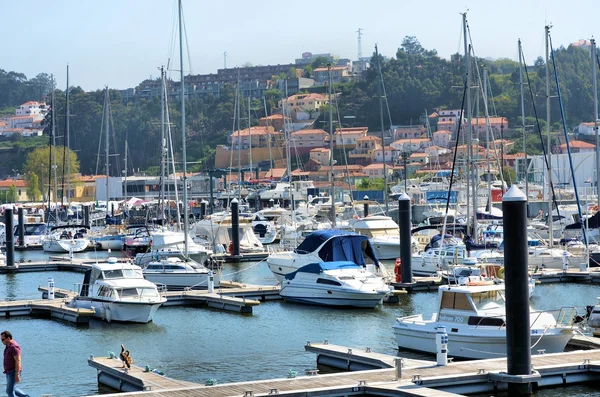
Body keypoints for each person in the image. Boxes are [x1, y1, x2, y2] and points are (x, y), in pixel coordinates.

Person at [2, 331, 29, 397]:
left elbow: (18, 361)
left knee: (9, 391)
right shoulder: (8, 346)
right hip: (8, 371)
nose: (1, 341)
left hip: (13, 371)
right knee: (12, 389)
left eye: (3, 339)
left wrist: (17, 374)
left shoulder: (14, 347)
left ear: (8, 338)